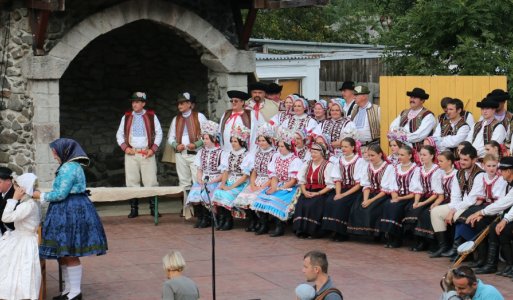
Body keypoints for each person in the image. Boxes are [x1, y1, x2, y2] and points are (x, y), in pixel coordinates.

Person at [35, 138, 108, 300]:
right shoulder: (71, 166)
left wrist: (41, 195)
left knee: (70, 251)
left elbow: (61, 194)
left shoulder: (68, 167)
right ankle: (69, 290)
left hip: (71, 210)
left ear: (65, 151)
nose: (53, 154)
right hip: (69, 209)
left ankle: (74, 292)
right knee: (65, 252)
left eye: (55, 150)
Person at [429, 145, 484, 259]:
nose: (462, 162)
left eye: (466, 160)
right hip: (460, 204)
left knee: (458, 215)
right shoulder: (459, 173)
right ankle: (443, 246)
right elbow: (455, 196)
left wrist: (453, 210)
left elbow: (471, 199)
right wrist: (452, 208)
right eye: (461, 159)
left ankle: (457, 250)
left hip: (474, 206)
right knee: (435, 212)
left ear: (474, 160)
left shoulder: (480, 174)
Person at [116, 91, 163, 218]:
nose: (134, 104)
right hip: (131, 152)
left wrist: (152, 149)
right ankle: (134, 209)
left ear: (143, 103)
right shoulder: (126, 117)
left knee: (151, 181)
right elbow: (119, 135)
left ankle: (154, 208)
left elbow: (159, 133)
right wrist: (125, 148)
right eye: (133, 102)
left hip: (147, 152)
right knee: (132, 181)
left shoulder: (152, 116)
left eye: (137, 102)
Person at [465, 156, 513, 275]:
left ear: (509, 171)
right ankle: (491, 265)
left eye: (501, 170)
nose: (499, 172)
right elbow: (504, 202)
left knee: (504, 230)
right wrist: (482, 212)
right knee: (493, 227)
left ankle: (511, 265)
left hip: (510, 216)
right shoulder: (509, 183)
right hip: (508, 214)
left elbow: (507, 203)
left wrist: (505, 220)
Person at [251, 129, 302, 237]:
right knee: (262, 197)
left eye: (282, 146)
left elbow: (293, 180)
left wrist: (279, 189)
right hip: (278, 184)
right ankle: (264, 225)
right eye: (279, 146)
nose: (280, 148)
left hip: (290, 187)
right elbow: (273, 175)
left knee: (274, 199)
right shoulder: (276, 157)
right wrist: (274, 187)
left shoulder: (295, 160)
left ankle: (280, 227)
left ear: (289, 146)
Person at [0, 173, 41, 300]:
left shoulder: (27, 205)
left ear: (23, 189)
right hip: (18, 237)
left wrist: (13, 199)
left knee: (18, 270)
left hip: (25, 241)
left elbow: (5, 218)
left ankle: (18, 294)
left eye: (17, 187)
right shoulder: (25, 203)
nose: (15, 189)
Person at [234, 124, 276, 232]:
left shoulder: (274, 154)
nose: (261, 143)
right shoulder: (257, 153)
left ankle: (263, 223)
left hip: (269, 182)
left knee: (257, 197)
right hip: (257, 181)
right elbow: (254, 172)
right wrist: (252, 184)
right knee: (245, 195)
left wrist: (262, 186)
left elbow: (274, 175)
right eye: (259, 140)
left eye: (263, 140)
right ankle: (253, 221)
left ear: (269, 141)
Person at [322, 137, 366, 241]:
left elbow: (359, 184)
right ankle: (333, 230)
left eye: (346, 146)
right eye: (342, 147)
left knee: (340, 203)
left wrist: (343, 195)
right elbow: (337, 180)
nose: (343, 149)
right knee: (330, 201)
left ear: (353, 147)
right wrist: (338, 193)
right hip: (342, 189)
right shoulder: (339, 160)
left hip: (355, 190)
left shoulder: (359, 161)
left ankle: (342, 232)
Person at [379, 144, 422, 248]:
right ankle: (391, 235)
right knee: (388, 204)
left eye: (402, 155)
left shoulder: (416, 169)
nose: (399, 157)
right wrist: (394, 196)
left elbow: (415, 190)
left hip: (409, 197)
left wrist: (399, 198)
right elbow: (392, 184)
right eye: (399, 154)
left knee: (396, 207)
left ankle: (397, 238)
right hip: (398, 196)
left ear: (410, 156)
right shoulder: (395, 168)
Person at [347, 144, 395, 237]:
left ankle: (374, 234)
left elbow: (385, 189)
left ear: (380, 155)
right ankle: (361, 234)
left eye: (372, 155)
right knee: (357, 206)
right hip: (370, 193)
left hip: (382, 195)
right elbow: (366, 185)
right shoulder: (367, 167)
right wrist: (365, 199)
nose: (370, 158)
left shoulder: (388, 168)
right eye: (368, 156)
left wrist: (370, 201)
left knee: (371, 208)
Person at [403, 145, 444, 251]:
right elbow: (417, 189)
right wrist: (416, 201)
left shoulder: (437, 170)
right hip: (422, 197)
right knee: (412, 209)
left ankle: (427, 242)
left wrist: (422, 203)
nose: (421, 157)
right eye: (420, 154)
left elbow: (437, 193)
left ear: (431, 156)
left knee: (425, 213)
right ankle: (417, 240)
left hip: (434, 198)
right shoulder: (419, 170)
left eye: (424, 155)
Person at [211, 125, 251, 231]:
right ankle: (222, 219)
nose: (233, 143)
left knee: (227, 194)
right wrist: (223, 184)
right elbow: (225, 171)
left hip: (240, 183)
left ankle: (229, 221)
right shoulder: (228, 154)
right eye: (232, 141)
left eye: (235, 141)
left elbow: (245, 176)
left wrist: (231, 187)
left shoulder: (247, 156)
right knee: (217, 192)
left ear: (242, 142)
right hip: (229, 181)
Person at [185, 121, 223, 228]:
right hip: (204, 178)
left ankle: (208, 217)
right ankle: (202, 217)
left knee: (206, 194)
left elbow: (223, 173)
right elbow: (199, 169)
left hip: (216, 180)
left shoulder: (221, 152)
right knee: (195, 193)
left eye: (206, 139)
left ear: (213, 139)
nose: (204, 141)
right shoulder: (201, 152)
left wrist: (212, 181)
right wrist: (199, 180)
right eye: (203, 138)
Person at [293, 143, 335, 238]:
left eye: (315, 152)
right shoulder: (307, 164)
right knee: (301, 203)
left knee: (312, 204)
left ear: (322, 154)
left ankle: (313, 231)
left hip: (322, 192)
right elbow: (301, 181)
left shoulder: (328, 165)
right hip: (307, 190)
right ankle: (301, 229)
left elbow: (330, 185)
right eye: (312, 152)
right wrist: (304, 192)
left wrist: (318, 193)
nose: (313, 155)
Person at [168, 92, 207, 192]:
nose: (179, 106)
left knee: (198, 180)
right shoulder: (176, 119)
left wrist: (196, 144)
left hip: (196, 154)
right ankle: (187, 207)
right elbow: (170, 138)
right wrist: (176, 145)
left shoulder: (199, 116)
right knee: (184, 183)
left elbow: (208, 134)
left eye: (182, 103)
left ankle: (198, 207)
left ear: (189, 104)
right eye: (178, 104)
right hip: (181, 154)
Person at [389, 87, 436, 151]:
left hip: (418, 151)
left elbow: (419, 135)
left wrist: (401, 137)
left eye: (415, 98)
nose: (412, 100)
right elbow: (393, 126)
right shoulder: (404, 112)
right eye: (411, 97)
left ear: (422, 101)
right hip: (401, 150)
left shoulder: (428, 116)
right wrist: (397, 135)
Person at [0, 166, 14, 235]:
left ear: (8, 181)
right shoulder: (1, 191)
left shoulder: (15, 195)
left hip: (12, 231)